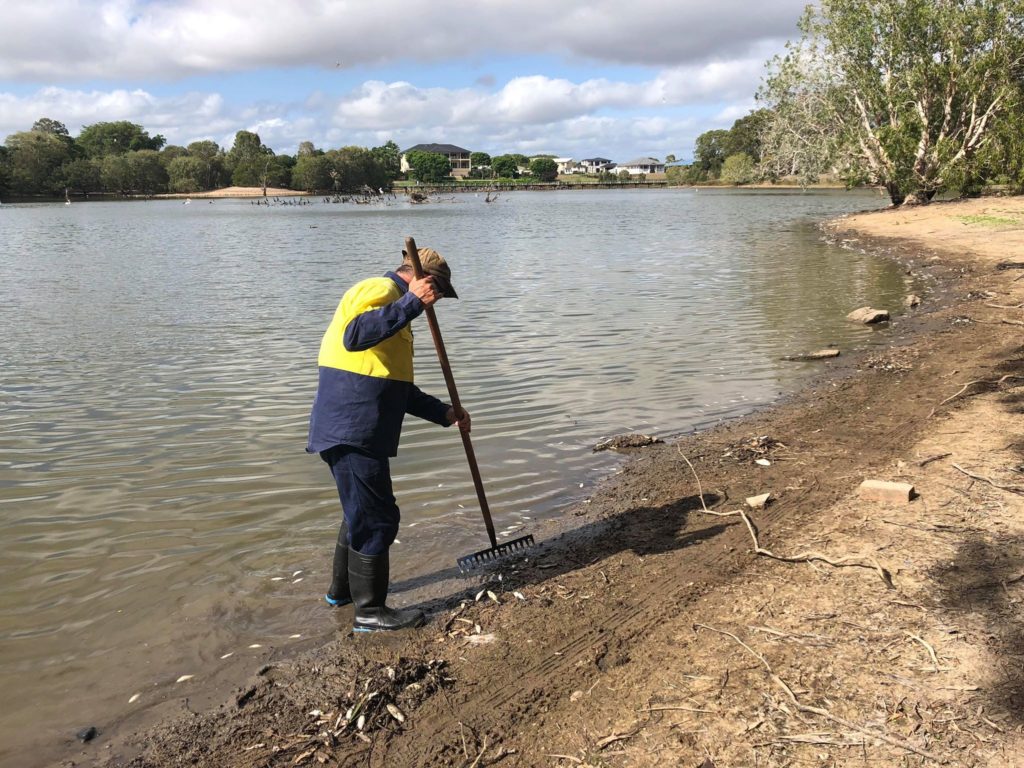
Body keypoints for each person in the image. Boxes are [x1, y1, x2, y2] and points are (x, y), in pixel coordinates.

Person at [307, 247, 469, 632]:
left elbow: (395, 388)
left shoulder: (399, 312)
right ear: (421, 278)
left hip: (358, 428)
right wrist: (412, 303)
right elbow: (354, 335)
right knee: (378, 519)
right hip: (352, 428)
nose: (438, 301)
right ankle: (369, 613)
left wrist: (444, 414)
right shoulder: (381, 290)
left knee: (359, 515)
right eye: (439, 291)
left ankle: (341, 595)